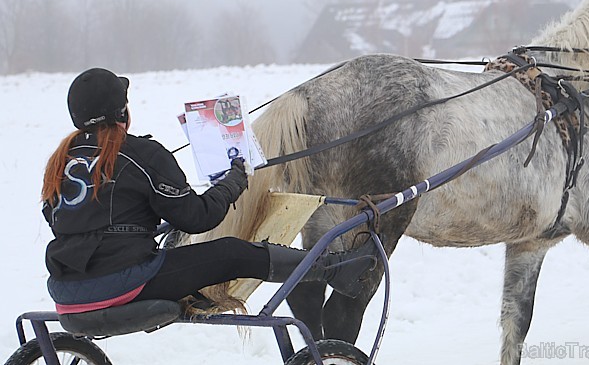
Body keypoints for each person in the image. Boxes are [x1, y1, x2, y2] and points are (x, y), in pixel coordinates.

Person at [42, 68, 376, 315]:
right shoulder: (144, 155)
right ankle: (334, 269)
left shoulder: (60, 161)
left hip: (65, 290)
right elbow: (198, 218)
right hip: (123, 284)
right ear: (122, 113)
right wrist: (234, 181)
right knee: (232, 252)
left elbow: (75, 220)